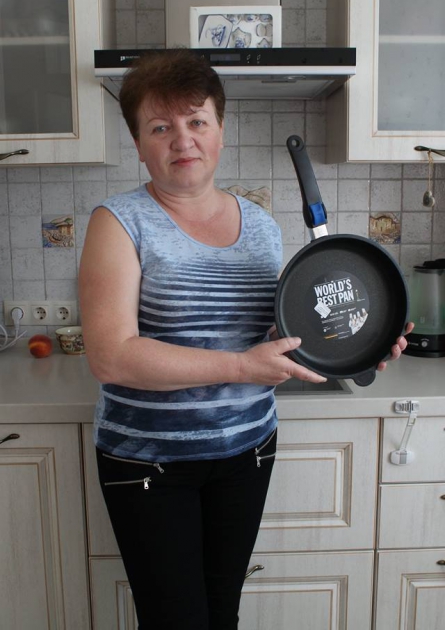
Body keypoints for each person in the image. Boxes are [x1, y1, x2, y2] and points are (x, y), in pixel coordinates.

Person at [78, 49, 412, 630]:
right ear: (138, 143)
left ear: (220, 131)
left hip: (248, 451)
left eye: (196, 121)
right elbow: (112, 356)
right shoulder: (119, 221)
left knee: (222, 612)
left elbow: (269, 334)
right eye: (160, 127)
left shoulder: (259, 224)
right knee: (176, 621)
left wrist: (357, 340)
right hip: (150, 461)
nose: (183, 140)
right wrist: (239, 367)